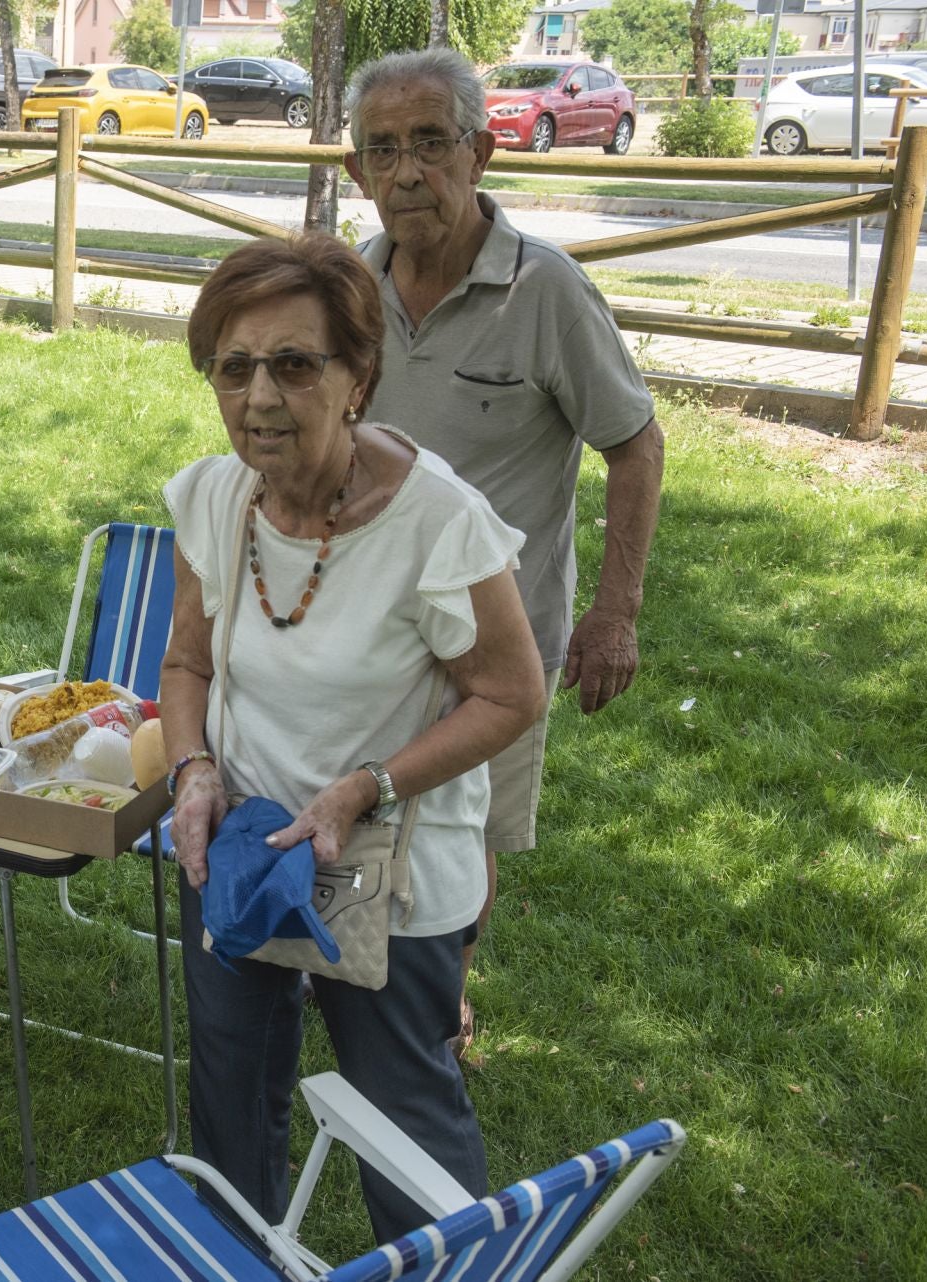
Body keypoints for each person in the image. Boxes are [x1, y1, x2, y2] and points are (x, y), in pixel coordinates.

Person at [160, 234, 546, 1243]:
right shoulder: (213, 496)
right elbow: (186, 665)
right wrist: (192, 768)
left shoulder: (439, 524)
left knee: (403, 1133)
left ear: (358, 376)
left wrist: (363, 786)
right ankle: (235, 1262)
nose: (259, 398)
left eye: (294, 364)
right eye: (233, 368)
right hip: (243, 849)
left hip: (391, 871)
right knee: (230, 1109)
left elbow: (510, 695)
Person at [340, 49, 667, 1049]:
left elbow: (636, 443)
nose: (407, 173)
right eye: (382, 150)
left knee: (464, 832)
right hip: (363, 625)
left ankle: (439, 1000)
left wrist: (614, 615)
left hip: (497, 641)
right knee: (359, 800)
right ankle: (352, 968)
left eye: (431, 144)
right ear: (358, 172)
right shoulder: (351, 284)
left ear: (481, 152)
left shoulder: (546, 291)